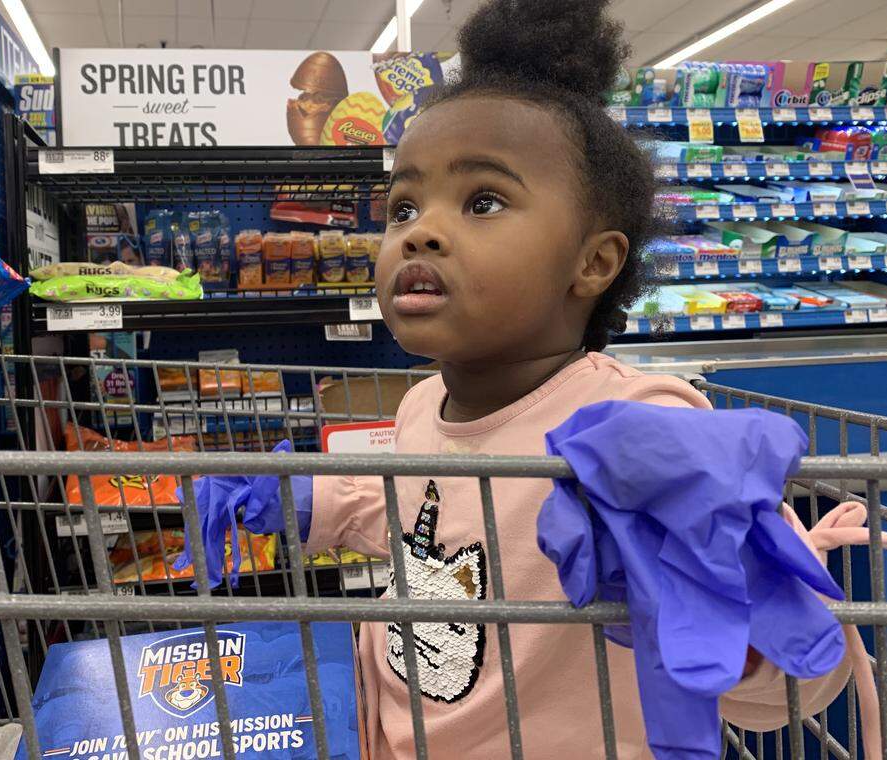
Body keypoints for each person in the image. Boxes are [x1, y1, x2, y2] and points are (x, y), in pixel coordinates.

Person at [188, 1, 852, 757]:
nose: (420, 230)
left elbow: (800, 682)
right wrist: (316, 501)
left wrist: (713, 611)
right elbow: (437, 519)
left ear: (593, 263)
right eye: (403, 205)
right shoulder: (419, 406)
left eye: (484, 201)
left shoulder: (639, 423)